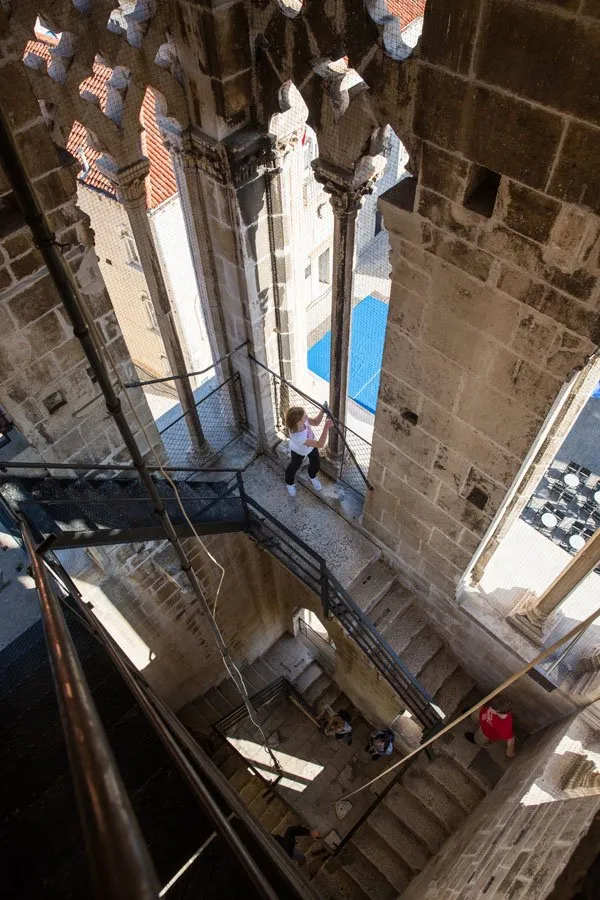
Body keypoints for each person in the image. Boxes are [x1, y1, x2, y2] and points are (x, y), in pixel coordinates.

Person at [285, 406, 333, 497]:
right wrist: (326, 427)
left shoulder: (303, 421)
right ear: (299, 421)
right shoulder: (297, 436)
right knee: (294, 466)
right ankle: (289, 483)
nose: (307, 416)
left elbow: (315, 422)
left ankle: (312, 476)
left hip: (311, 446)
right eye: (305, 416)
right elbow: (320, 444)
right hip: (298, 451)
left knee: (316, 463)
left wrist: (322, 411)